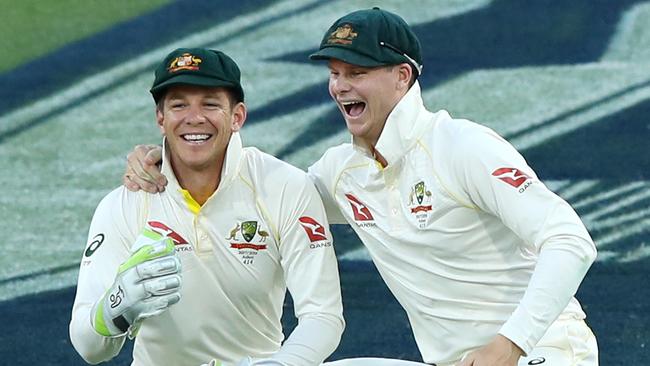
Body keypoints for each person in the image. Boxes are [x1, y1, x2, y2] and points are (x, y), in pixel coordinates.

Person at [123, 8, 598, 366]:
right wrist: (166, 153)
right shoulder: (342, 172)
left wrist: (510, 342)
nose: (340, 86)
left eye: (357, 72)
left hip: (543, 350)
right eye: (335, 73)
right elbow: (262, 194)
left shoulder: (460, 146)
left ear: (402, 76)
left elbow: (570, 241)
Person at [69, 47, 345, 366]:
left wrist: (280, 365)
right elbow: (89, 348)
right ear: (161, 118)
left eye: (210, 104)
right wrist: (115, 308)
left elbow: (323, 315)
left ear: (237, 116)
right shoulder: (124, 203)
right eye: (179, 105)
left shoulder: (284, 186)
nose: (194, 118)